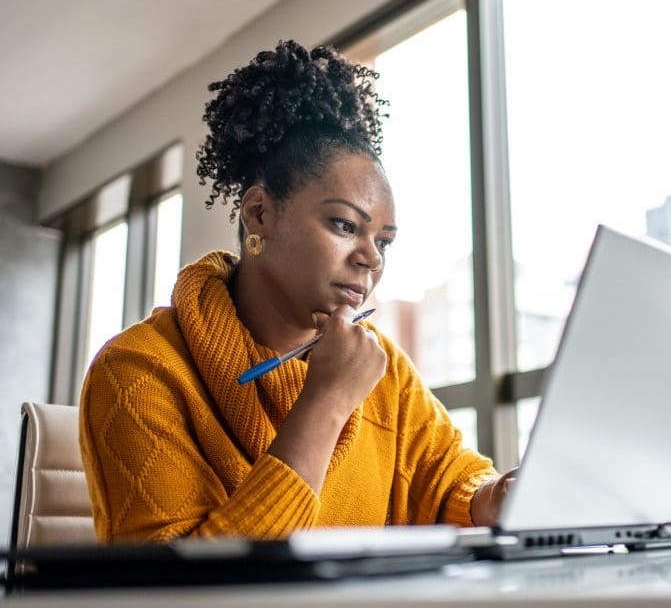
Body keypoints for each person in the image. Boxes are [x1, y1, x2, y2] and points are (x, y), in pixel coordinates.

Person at [79, 40, 514, 542]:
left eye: (384, 241)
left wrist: (492, 496)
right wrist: (326, 402)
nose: (371, 257)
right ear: (260, 213)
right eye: (345, 225)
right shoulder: (138, 371)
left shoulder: (383, 368)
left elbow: (448, 479)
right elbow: (180, 595)